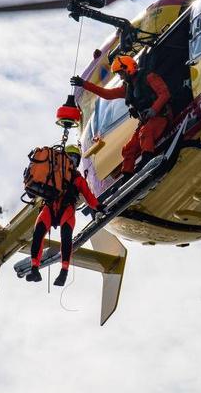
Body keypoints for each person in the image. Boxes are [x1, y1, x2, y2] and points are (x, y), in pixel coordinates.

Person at [71, 55, 171, 181]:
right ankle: (127, 177)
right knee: (128, 148)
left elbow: (165, 94)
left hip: (161, 117)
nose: (121, 77)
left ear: (127, 68)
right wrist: (84, 84)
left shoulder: (149, 77)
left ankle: (148, 161)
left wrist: (153, 109)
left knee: (145, 133)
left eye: (121, 73)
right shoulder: (127, 88)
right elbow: (106, 94)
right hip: (146, 122)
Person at [27, 144, 102, 286]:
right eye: (70, 157)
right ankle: (34, 268)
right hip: (50, 207)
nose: (73, 161)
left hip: (65, 209)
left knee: (66, 237)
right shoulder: (53, 173)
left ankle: (63, 272)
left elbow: (88, 194)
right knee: (38, 234)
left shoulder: (78, 179)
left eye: (75, 158)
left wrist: (98, 206)